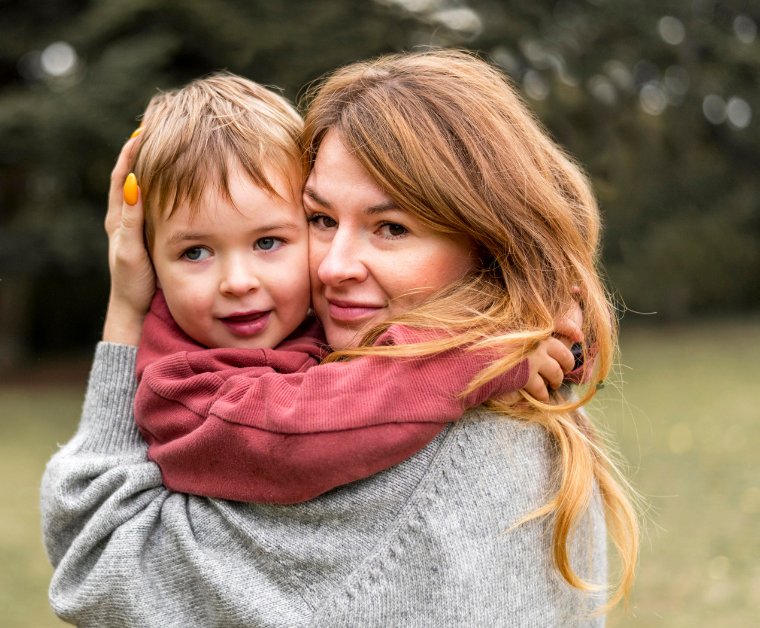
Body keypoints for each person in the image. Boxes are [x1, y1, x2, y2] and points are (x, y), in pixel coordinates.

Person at [41, 50, 638, 627]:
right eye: (323, 219)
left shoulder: (447, 451)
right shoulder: (511, 383)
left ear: (488, 239)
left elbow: (99, 565)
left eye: (391, 228)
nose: (332, 267)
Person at [127, 72, 579, 503]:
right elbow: (292, 432)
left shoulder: (299, 325)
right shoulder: (177, 384)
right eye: (323, 219)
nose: (239, 282)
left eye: (268, 241)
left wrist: (558, 336)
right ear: (147, 258)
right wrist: (483, 358)